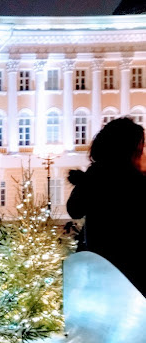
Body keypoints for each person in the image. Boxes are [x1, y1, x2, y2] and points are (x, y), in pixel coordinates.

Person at [67, 117, 146, 295]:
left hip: (100, 261)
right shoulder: (135, 179)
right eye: (140, 144)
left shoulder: (96, 173)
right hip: (133, 264)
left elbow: (74, 209)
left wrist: (83, 183)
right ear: (131, 147)